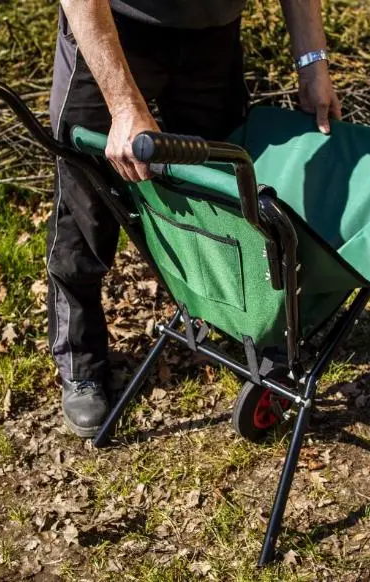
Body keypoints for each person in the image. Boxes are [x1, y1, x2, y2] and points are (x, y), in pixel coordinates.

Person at [48, 0, 341, 438]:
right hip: (112, 28)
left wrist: (312, 64)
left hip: (211, 37)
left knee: (224, 195)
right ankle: (80, 359)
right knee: (87, 205)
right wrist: (124, 104)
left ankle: (239, 323)